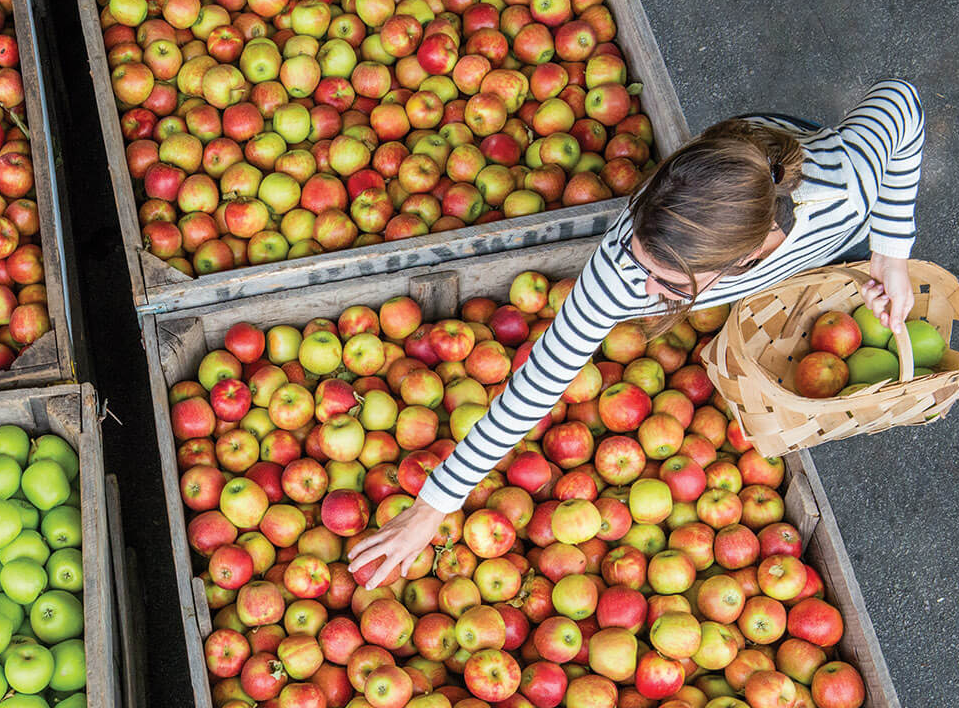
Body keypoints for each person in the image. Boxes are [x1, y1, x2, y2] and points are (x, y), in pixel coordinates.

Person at [348, 79, 925, 587]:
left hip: (790, 174)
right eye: (643, 262)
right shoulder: (621, 268)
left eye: (666, 283)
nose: (643, 290)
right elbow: (541, 379)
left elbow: (902, 105)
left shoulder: (846, 188)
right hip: (725, 176)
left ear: (740, 261)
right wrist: (432, 506)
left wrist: (891, 254)